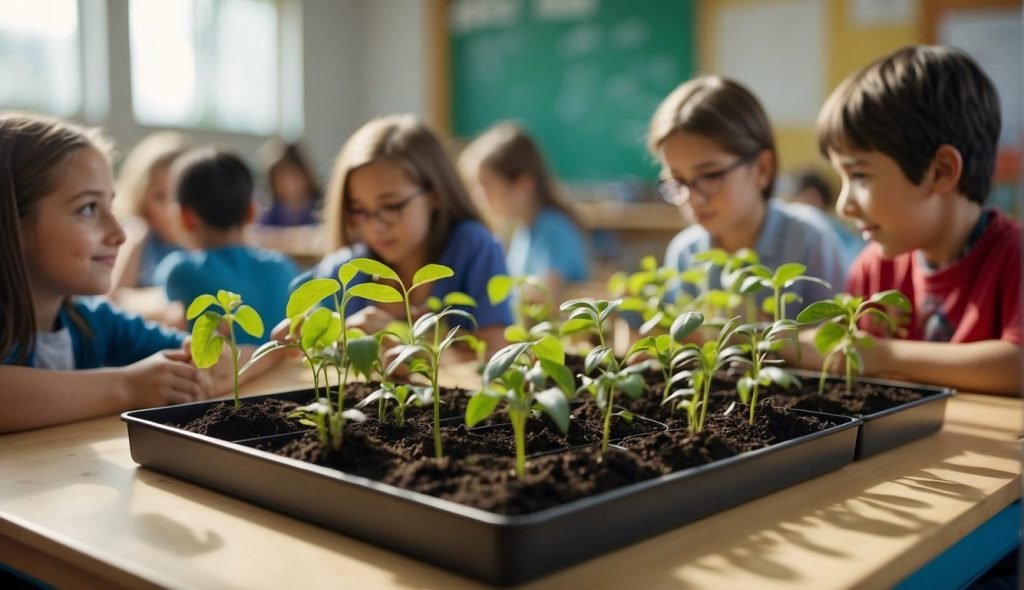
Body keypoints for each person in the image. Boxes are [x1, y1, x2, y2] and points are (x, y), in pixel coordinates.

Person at [799, 45, 1021, 395]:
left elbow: (1017, 366)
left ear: (941, 171)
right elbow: (849, 360)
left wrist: (887, 355)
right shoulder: (873, 268)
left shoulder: (1014, 256)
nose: (843, 205)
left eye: (860, 176)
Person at [0, 113, 218, 433]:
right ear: (12, 224)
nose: (119, 233)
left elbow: (196, 358)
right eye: (88, 208)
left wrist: (270, 347)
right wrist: (129, 387)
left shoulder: (94, 322)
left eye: (111, 208)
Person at [301, 114, 512, 356]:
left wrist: (409, 343)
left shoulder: (473, 247)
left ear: (435, 194)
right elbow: (315, 364)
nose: (375, 227)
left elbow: (496, 353)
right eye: (359, 210)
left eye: (391, 206)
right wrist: (329, 343)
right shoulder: (340, 274)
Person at [648, 76, 845, 317]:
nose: (692, 199)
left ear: (762, 168)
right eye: (677, 181)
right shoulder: (685, 253)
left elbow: (834, 340)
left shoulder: (810, 239)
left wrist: (757, 336)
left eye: (710, 175)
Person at [155, 148, 299, 345]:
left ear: (185, 218)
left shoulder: (180, 270)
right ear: (252, 212)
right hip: (282, 373)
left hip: (226, 374)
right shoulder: (283, 267)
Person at [459, 122, 589, 305]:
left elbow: (544, 302)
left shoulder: (552, 231)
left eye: (486, 185)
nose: (477, 196)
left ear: (523, 185)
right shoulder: (523, 231)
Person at [109, 131, 191, 289]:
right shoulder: (138, 233)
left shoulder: (205, 240)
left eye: (179, 195)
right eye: (160, 197)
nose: (171, 209)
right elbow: (113, 296)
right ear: (141, 197)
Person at [784, 169, 866, 269]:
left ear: (812, 197)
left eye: (793, 201)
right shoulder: (847, 235)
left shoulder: (822, 236)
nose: (789, 209)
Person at [257, 139, 321, 227]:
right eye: (281, 179)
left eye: (294, 177)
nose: (289, 186)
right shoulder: (268, 218)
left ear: (306, 175)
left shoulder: (321, 212)